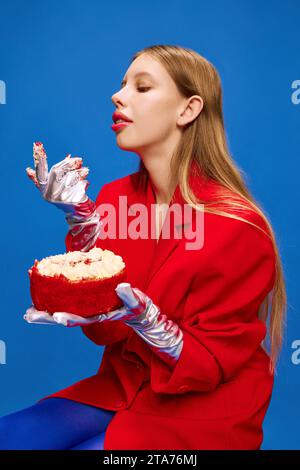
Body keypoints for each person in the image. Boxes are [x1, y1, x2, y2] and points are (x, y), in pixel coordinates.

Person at [0, 45, 287, 450]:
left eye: (143, 87)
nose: (118, 97)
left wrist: (153, 324)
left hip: (205, 410)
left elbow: (209, 367)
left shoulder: (239, 226)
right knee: (9, 437)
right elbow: (105, 331)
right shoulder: (116, 199)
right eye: (121, 86)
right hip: (124, 387)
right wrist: (81, 221)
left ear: (187, 110)